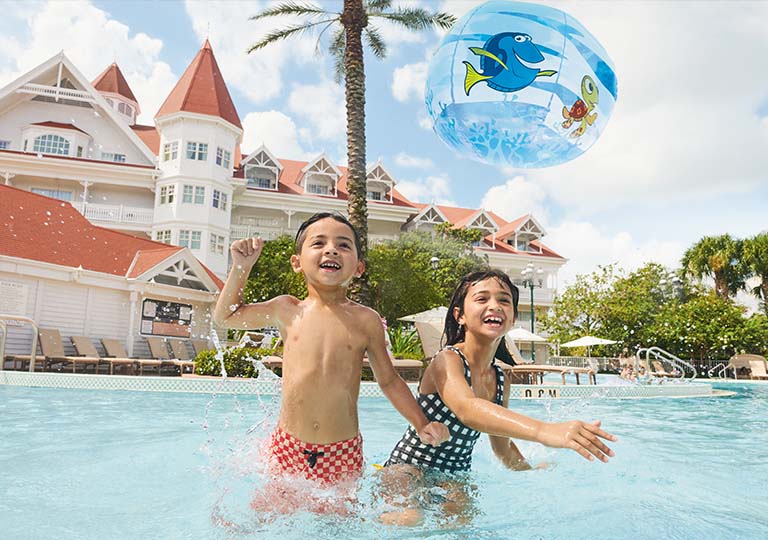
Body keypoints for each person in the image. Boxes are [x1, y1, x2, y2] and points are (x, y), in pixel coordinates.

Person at [213, 212, 449, 498]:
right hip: (288, 447)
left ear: (359, 267)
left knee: (340, 517)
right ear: (296, 262)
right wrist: (241, 267)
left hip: (342, 452)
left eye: (343, 245)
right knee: (269, 512)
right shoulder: (286, 309)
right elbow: (226, 317)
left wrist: (422, 423)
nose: (331, 250)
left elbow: (388, 380)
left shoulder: (366, 320)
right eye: (318, 243)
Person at [380, 269, 617, 525]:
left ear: (513, 318)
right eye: (482, 299)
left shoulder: (501, 379)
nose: (494, 305)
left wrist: (530, 471)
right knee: (409, 519)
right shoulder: (447, 360)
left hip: (454, 477)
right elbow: (467, 409)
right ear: (460, 316)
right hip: (408, 467)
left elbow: (502, 447)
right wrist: (544, 430)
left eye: (504, 300)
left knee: (462, 525)